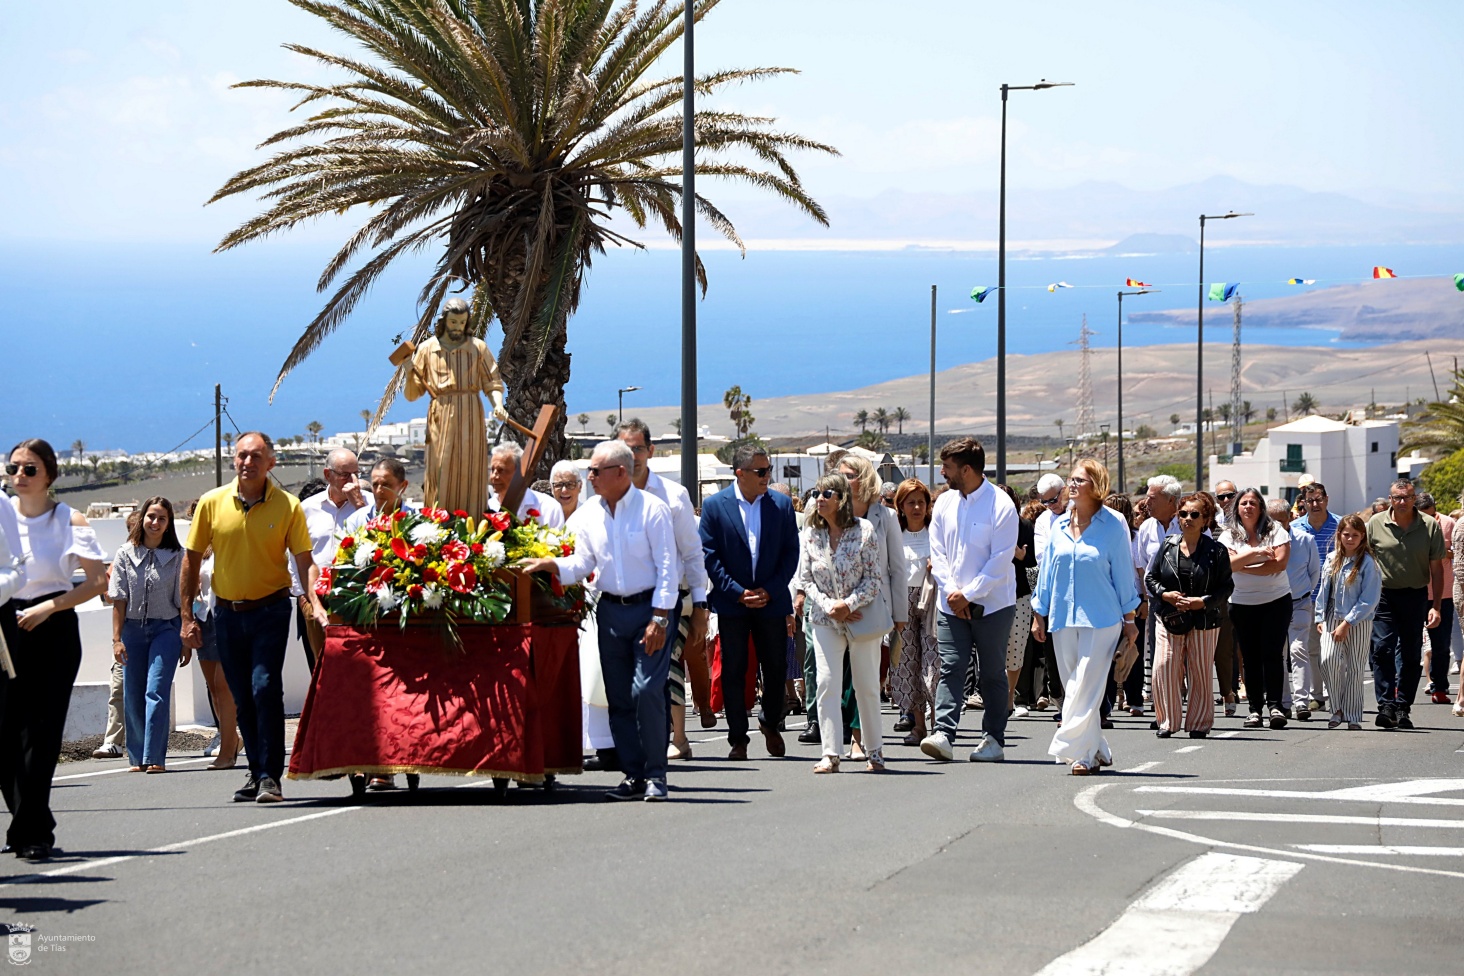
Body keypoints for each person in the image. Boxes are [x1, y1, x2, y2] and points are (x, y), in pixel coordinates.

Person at [521, 440, 680, 801]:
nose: (589, 477)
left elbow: (668, 567)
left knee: (646, 692)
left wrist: (660, 617)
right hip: (610, 613)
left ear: (620, 472)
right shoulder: (589, 514)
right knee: (619, 697)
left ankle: (656, 774)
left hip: (649, 611)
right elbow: (583, 563)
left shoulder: (652, 509)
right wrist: (551, 565)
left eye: (595, 471)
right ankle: (634, 775)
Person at [181, 432, 326, 805]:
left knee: (264, 688)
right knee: (242, 695)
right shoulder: (212, 503)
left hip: (271, 610)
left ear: (271, 463)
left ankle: (270, 776)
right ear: (234, 460)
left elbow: (304, 560)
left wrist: (315, 599)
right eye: (242, 455)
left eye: (256, 456)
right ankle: (256, 771)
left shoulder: (288, 506)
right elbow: (191, 558)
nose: (248, 462)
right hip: (227, 614)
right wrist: (187, 616)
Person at [2, 439, 107, 860]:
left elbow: (97, 581)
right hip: (6, 625)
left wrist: (49, 607)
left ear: (49, 474)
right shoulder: (3, 514)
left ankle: (31, 833)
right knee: (5, 734)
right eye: (13, 467)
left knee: (41, 734)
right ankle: (31, 822)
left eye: (29, 469)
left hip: (54, 627)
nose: (19, 476)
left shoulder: (69, 519)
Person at [1031, 459, 1140, 774]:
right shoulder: (1058, 526)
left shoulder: (1114, 525)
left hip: (1103, 618)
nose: (1073, 484)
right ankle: (1097, 747)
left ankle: (1078, 753)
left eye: (1080, 480)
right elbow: (1047, 574)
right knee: (1073, 685)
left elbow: (1123, 574)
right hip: (1063, 616)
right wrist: (1039, 612)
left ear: (1097, 486)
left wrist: (1130, 619)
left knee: (1086, 686)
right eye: (1072, 479)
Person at [614, 420, 710, 761]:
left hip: (673, 600)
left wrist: (701, 606)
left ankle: (678, 738)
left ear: (650, 451)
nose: (632, 456)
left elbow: (693, 553)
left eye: (638, 449)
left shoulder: (673, 495)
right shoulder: (610, 496)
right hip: (625, 602)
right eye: (625, 450)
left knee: (666, 663)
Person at [700, 445, 800, 761]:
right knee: (734, 670)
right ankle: (738, 738)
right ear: (740, 473)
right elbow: (710, 556)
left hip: (772, 602)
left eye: (769, 470)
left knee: (776, 668)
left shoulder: (781, 505)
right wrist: (736, 591)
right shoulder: (714, 506)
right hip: (733, 604)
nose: (767, 476)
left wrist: (770, 590)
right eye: (761, 471)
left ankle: (770, 721)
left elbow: (791, 553)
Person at [921, 437, 1017, 764]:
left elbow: (1000, 560)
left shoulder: (1001, 505)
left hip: (993, 606)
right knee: (951, 667)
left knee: (992, 673)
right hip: (950, 605)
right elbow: (938, 553)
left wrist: (969, 594)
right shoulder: (944, 503)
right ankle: (944, 734)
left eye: (947, 467)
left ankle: (993, 739)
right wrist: (953, 593)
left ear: (966, 469)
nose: (942, 472)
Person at [799, 475, 887, 772]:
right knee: (826, 683)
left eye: (827, 493)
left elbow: (874, 579)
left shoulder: (864, 530)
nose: (819, 498)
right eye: (816, 493)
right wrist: (830, 607)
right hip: (824, 619)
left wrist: (848, 605)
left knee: (866, 685)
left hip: (861, 618)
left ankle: (874, 751)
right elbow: (806, 580)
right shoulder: (811, 533)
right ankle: (830, 753)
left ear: (842, 498)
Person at [403, 295, 509, 514]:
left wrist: (498, 404)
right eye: (453, 322)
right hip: (440, 413)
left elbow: (492, 382)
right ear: (444, 321)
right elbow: (413, 394)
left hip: (471, 411)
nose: (458, 327)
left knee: (471, 466)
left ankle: (473, 519)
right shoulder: (427, 349)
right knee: (439, 467)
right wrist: (408, 372)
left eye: (462, 322)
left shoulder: (478, 348)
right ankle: (439, 521)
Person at [109, 497, 190, 774]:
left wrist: (186, 638)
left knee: (155, 690)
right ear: (142, 518)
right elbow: (118, 599)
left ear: (168, 524)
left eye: (162, 518)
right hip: (132, 631)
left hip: (166, 629)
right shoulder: (124, 554)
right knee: (132, 693)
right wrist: (117, 640)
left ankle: (155, 756)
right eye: (151, 516)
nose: (155, 523)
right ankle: (137, 757)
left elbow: (183, 600)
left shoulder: (178, 556)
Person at [833, 454, 906, 759]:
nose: (842, 480)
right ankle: (840, 737)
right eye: (839, 474)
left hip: (874, 605)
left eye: (849, 475)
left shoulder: (886, 517)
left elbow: (897, 568)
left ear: (863, 478)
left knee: (864, 676)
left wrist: (900, 615)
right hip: (835, 607)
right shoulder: (831, 510)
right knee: (835, 677)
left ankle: (860, 738)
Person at [1145, 492, 1233, 738]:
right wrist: (1165, 595)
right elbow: (1151, 578)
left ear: (1205, 519)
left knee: (1200, 670)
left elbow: (1226, 587)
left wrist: (1202, 602)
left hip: (1204, 618)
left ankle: (1198, 723)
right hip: (1169, 616)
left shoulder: (1216, 550)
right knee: (1164, 665)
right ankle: (1167, 721)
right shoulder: (1168, 545)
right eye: (1183, 514)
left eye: (1195, 514)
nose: (1188, 519)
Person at [1365, 479, 1446, 730]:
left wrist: (1436, 606)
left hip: (1415, 596)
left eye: (1407, 497)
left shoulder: (1429, 525)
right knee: (1382, 649)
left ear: (1414, 499)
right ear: (1390, 499)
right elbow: (1363, 560)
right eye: (1397, 498)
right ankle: (1386, 705)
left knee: (1411, 655)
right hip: (1384, 596)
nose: (1402, 502)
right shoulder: (1375, 524)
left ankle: (1403, 706)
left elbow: (1437, 569)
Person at [1222, 488, 1292, 729]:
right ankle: (1255, 710)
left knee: (1272, 655)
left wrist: (1244, 564)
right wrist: (1257, 553)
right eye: (1244, 503)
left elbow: (1279, 564)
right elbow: (1227, 564)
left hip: (1276, 601)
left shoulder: (1276, 530)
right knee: (1250, 658)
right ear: (1237, 508)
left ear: (1261, 507)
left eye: (1253, 503)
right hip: (1242, 604)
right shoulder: (1228, 535)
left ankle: (1275, 707)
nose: (1248, 507)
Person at [297, 449, 365, 669]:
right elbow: (295, 555)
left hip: (357, 599)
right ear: (328, 475)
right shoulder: (307, 508)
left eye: (356, 474)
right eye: (345, 475)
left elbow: (380, 539)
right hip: (315, 599)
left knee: (356, 668)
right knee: (320, 668)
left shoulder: (368, 504)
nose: (352, 481)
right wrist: (303, 599)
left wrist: (359, 506)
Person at [1314, 514, 1382, 730]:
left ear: (1362, 537)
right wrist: (1319, 616)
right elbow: (1324, 590)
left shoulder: (1369, 563)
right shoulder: (1332, 558)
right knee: (1328, 660)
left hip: (1358, 620)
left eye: (1355, 535)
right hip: (1332, 615)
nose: (1350, 539)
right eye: (1346, 534)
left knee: (1355, 667)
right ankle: (1336, 708)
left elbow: (1369, 599)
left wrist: (1348, 623)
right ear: (1339, 535)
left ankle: (1352, 714)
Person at [890, 478, 938, 745]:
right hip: (901, 602)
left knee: (934, 662)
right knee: (907, 663)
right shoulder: (894, 534)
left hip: (932, 600)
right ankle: (918, 726)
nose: (917, 507)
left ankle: (939, 724)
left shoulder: (936, 532)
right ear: (901, 506)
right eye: (911, 503)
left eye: (921, 502)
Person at [1134, 476, 1183, 715]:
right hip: (1157, 601)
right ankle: (1161, 705)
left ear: (1171, 500)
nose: (1146, 503)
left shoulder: (1188, 522)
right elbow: (1141, 567)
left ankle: (1186, 703)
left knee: (1187, 655)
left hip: (1186, 600)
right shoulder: (1146, 527)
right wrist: (1145, 598)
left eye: (1152, 498)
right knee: (1159, 654)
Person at [1270, 499, 1320, 719]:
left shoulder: (1305, 540)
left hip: (1299, 602)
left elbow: (1314, 572)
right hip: (1272, 604)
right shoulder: (1263, 541)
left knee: (1298, 649)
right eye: (1272, 522)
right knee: (1277, 654)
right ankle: (1284, 702)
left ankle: (1301, 702)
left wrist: (1303, 592)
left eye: (1280, 521)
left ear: (1290, 518)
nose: (1277, 527)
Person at [1293, 482, 1339, 713]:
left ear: (1326, 499)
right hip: (1306, 597)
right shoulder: (1295, 528)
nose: (1315, 504)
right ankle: (1317, 696)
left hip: (1335, 598)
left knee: (1334, 651)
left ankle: (1338, 694)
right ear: (1303, 503)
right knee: (1311, 649)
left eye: (1319, 499)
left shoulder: (1340, 526)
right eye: (1310, 500)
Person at [1031, 472, 1067, 711]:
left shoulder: (1082, 513)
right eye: (1044, 502)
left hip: (1084, 593)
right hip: (1054, 594)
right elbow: (1042, 559)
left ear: (1064, 492)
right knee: (1054, 654)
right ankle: (1060, 699)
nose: (1050, 506)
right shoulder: (1044, 521)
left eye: (1053, 500)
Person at [1001, 483, 1037, 717]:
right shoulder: (985, 526)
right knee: (992, 650)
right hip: (991, 597)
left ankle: (1009, 696)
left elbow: (1035, 566)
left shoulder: (1025, 527)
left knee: (1016, 650)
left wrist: (1022, 558)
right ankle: (996, 696)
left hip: (1020, 596)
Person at [1417, 492, 1456, 705]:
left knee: (1441, 644)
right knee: (1406, 642)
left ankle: (1440, 687)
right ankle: (1399, 688)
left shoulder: (1449, 524)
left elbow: (1457, 554)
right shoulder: (1408, 524)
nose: (1428, 520)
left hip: (1443, 593)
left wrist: (1443, 552)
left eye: (1432, 515)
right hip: (1414, 590)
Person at [488, 443, 564, 527]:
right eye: (492, 470)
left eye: (501, 470)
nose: (493, 476)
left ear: (520, 473)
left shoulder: (549, 508)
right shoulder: (487, 507)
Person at [343, 457, 415, 534]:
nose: (378, 491)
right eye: (375, 485)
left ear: (403, 486)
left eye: (386, 485)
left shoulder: (417, 521)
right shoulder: (356, 521)